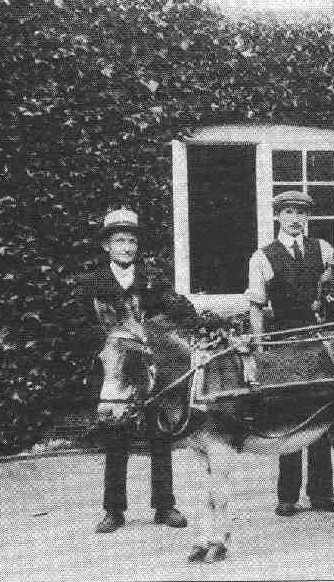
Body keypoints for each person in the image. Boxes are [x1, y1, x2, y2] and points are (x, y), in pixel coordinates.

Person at [75, 208, 199, 534]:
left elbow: (185, 312)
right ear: (106, 246)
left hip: (149, 370)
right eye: (119, 241)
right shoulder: (91, 283)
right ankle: (114, 510)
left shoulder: (150, 280)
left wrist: (159, 324)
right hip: (115, 370)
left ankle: (164, 504)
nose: (127, 247)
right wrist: (109, 342)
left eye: (131, 241)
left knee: (160, 434)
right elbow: (77, 329)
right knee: (116, 436)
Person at [244, 190, 334, 518]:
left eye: (301, 213)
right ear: (279, 217)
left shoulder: (323, 249)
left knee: (322, 411)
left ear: (307, 218)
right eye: (289, 213)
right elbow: (257, 308)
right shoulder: (262, 256)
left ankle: (322, 494)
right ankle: (287, 495)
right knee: (290, 414)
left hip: (318, 342)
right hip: (284, 343)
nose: (295, 219)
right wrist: (260, 349)